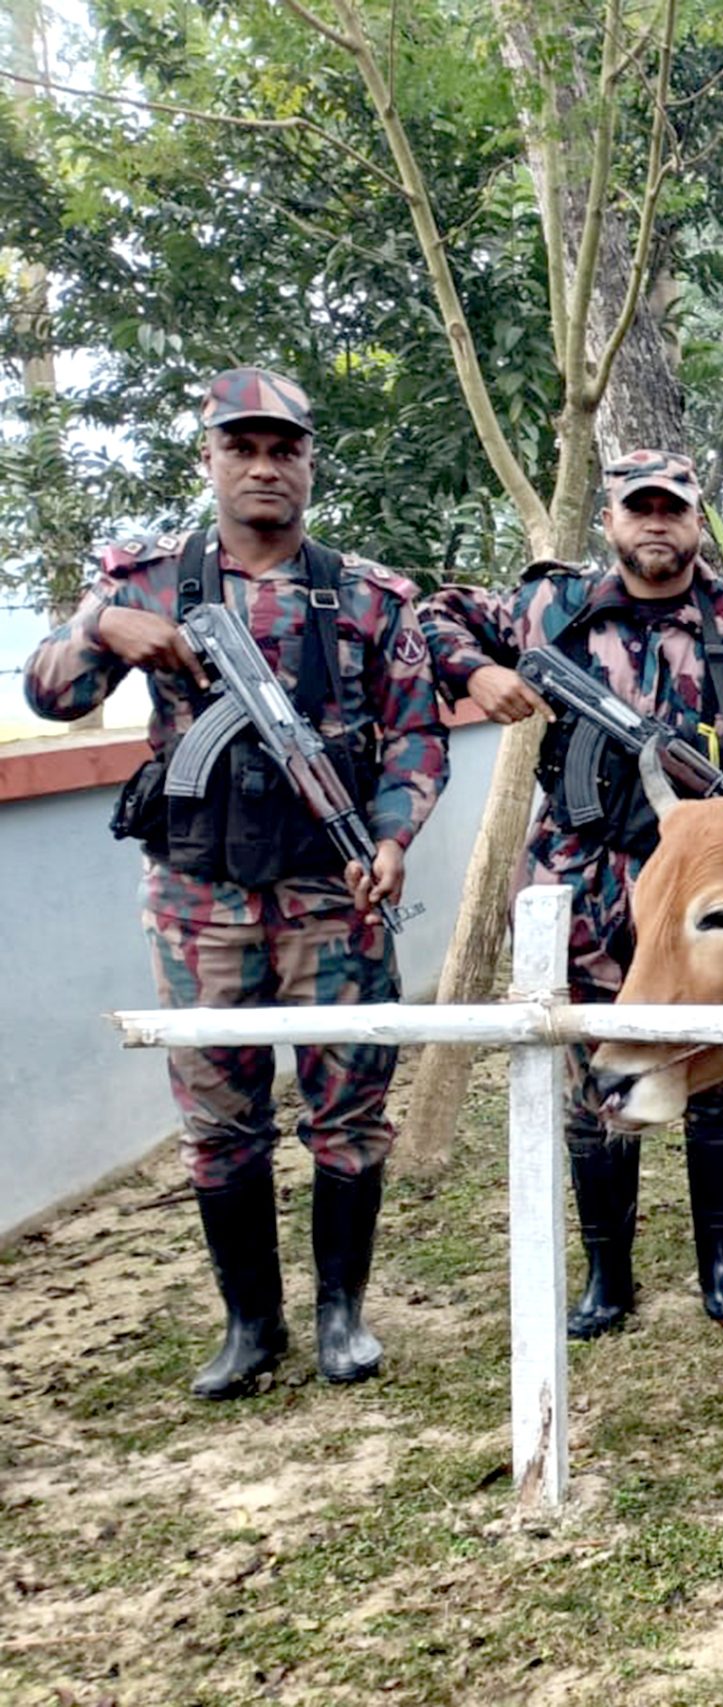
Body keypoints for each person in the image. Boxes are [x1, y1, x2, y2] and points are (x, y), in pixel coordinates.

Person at [23, 367, 450, 1397]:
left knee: (349, 1111)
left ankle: (342, 1316)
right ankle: (251, 1327)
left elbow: (416, 738)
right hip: (198, 903)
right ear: (208, 459)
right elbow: (51, 697)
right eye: (242, 448)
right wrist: (99, 627)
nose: (264, 467)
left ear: (309, 463)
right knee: (219, 1122)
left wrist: (393, 838)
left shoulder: (367, 595)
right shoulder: (146, 583)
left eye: (284, 449)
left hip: (332, 895)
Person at [420, 449, 723, 1338]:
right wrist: (477, 673)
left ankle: (721, 1267)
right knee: (595, 1074)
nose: (656, 521)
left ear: (696, 519)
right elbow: (437, 615)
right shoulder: (552, 605)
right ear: (609, 519)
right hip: (579, 880)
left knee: (718, 1066)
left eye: (672, 507)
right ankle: (606, 1277)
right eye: (638, 506)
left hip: (706, 890)